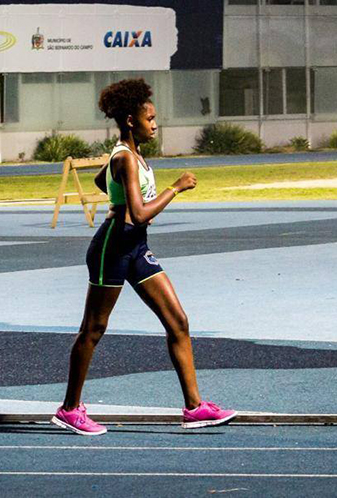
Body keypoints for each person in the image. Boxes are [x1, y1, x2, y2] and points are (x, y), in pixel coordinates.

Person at [50, 78, 236, 436]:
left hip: (135, 248)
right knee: (93, 329)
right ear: (132, 120)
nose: (155, 124)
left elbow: (102, 183)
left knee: (178, 321)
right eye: (150, 118)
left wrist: (118, 192)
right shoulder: (126, 158)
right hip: (112, 248)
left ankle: (194, 408)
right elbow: (137, 214)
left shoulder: (127, 156)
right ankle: (70, 409)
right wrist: (175, 188)